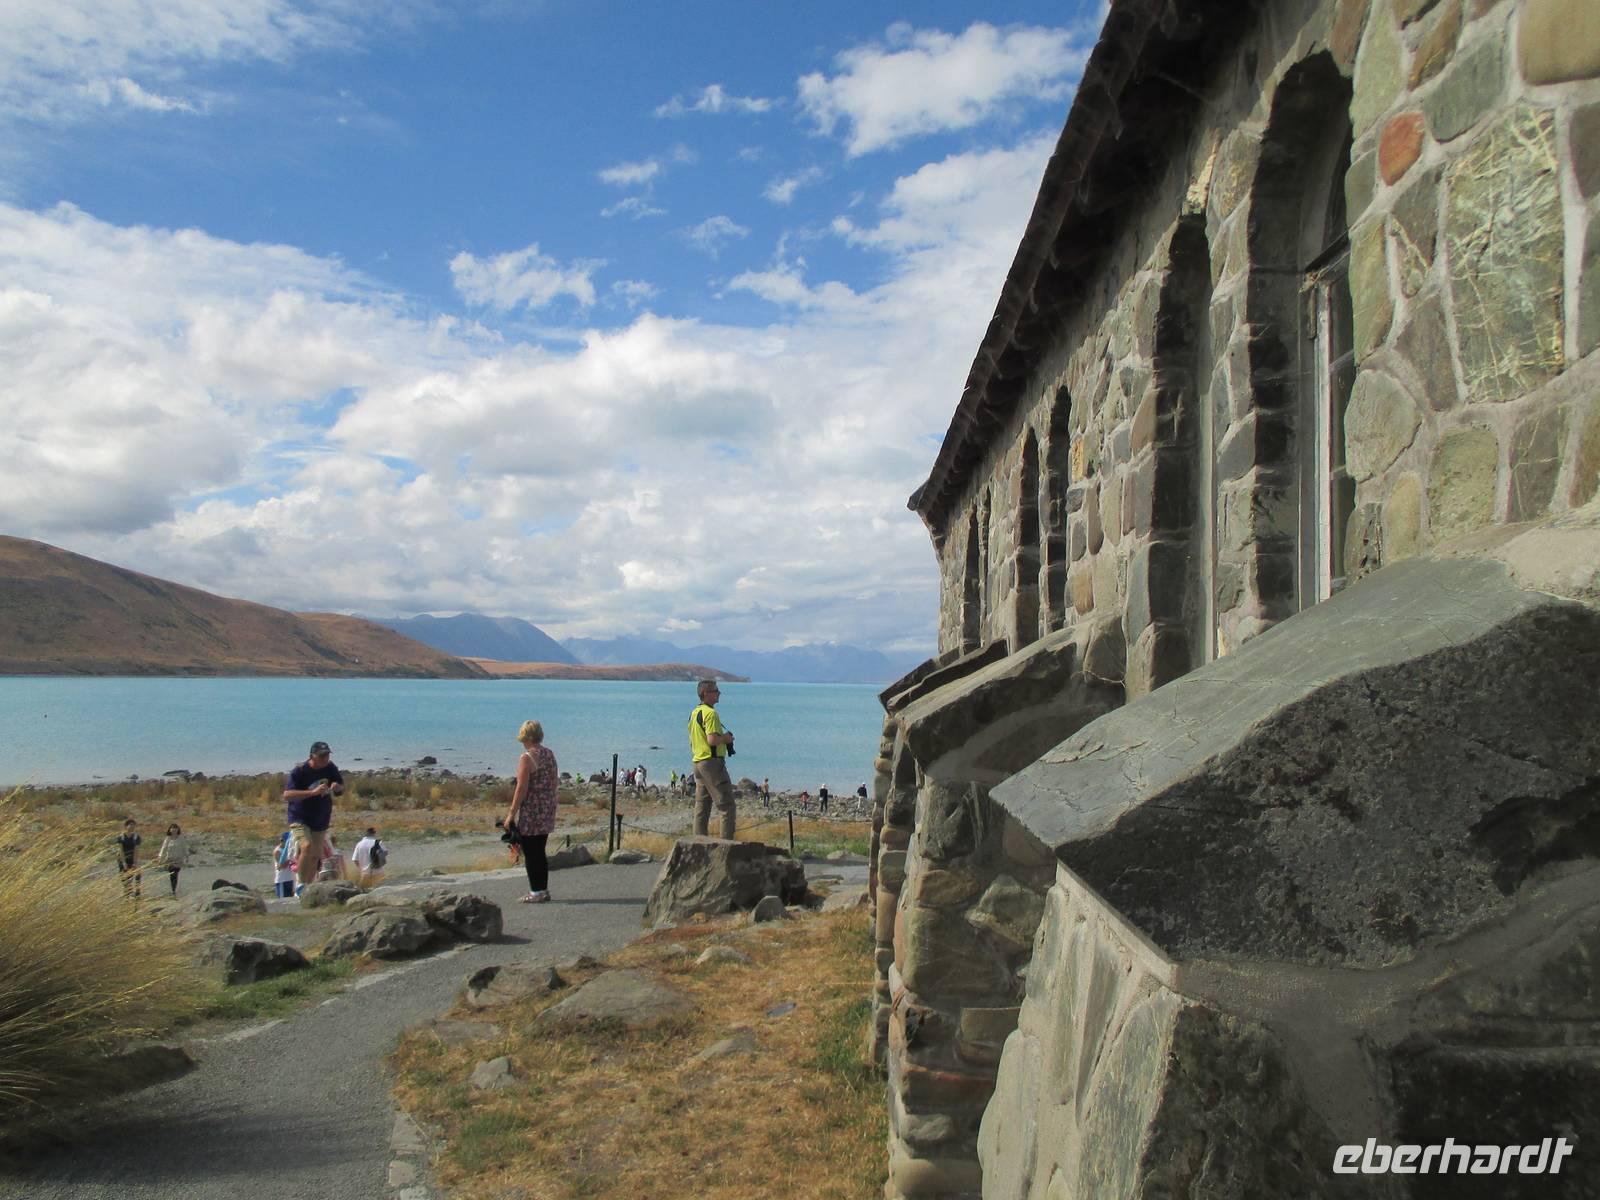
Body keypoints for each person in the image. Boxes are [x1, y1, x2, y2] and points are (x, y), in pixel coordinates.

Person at [505, 719, 559, 903]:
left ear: (526, 737)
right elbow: (554, 781)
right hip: (547, 807)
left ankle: (535, 891)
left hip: (531, 809)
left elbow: (521, 788)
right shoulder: (549, 754)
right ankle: (543, 890)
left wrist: (511, 813)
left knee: (530, 852)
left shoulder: (527, 758)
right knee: (540, 851)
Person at [283, 740, 344, 897]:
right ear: (312, 756)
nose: (325, 759)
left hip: (321, 817)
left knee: (316, 855)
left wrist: (337, 787)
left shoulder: (330, 768)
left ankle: (308, 888)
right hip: (299, 816)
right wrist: (312, 793)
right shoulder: (300, 771)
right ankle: (301, 884)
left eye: (327, 755)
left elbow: (340, 786)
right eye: (322, 756)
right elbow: (287, 795)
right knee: (306, 846)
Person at [688, 679, 736, 839]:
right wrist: (726, 738)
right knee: (726, 806)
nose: (719, 693)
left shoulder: (694, 713)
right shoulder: (711, 713)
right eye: (716, 691)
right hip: (712, 762)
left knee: (702, 807)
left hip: (698, 762)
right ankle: (726, 846)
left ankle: (698, 842)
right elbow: (712, 740)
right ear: (705, 693)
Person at [157, 822, 189, 895]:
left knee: (175, 873)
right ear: (170, 830)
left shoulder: (181, 838)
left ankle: (173, 889)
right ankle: (173, 889)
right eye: (172, 828)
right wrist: (160, 857)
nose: (174, 830)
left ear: (178, 830)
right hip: (170, 859)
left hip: (178, 859)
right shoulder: (168, 838)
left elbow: (185, 848)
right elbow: (164, 848)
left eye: (175, 828)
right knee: (172, 874)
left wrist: (187, 856)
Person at [115, 817, 141, 901]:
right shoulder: (121, 837)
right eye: (130, 825)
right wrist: (124, 863)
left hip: (132, 858)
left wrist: (135, 862)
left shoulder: (136, 837)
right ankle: (127, 894)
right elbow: (121, 850)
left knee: (133, 875)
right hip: (122, 859)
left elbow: (136, 850)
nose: (132, 827)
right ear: (126, 826)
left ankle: (133, 893)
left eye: (134, 825)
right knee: (124, 877)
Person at [272, 830, 296, 897]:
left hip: (291, 879)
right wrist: (289, 858)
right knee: (283, 900)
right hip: (282, 880)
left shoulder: (290, 849)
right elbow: (281, 866)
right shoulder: (277, 851)